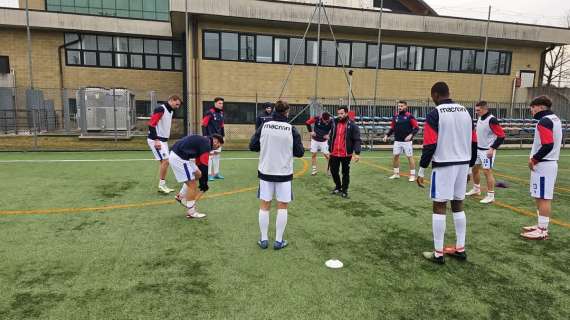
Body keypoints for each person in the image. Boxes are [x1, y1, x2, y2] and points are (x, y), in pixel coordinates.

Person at [417, 82, 477, 264]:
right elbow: (474, 142)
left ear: (435, 95)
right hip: (463, 164)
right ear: (449, 93)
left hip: (444, 164)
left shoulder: (435, 114)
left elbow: (429, 144)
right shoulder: (465, 112)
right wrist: (469, 167)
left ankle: (438, 253)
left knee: (439, 206)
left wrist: (421, 169)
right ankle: (460, 248)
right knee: (458, 204)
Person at [249, 100, 304, 250]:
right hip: (284, 173)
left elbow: (252, 146)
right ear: (287, 112)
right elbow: (300, 152)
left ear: (273, 110)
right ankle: (278, 241)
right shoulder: (291, 129)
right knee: (282, 207)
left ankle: (264, 239)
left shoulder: (264, 126)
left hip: (266, 171)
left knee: (264, 205)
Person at [521, 95, 562, 240]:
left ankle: (542, 230)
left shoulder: (544, 121)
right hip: (545, 164)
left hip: (544, 164)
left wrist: (534, 159)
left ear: (540, 107)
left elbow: (548, 144)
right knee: (539, 195)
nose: (531, 110)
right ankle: (540, 224)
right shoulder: (553, 118)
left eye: (532, 107)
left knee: (544, 197)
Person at [170, 134, 224, 219]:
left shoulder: (204, 141)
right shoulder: (206, 144)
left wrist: (202, 178)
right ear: (215, 141)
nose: (216, 148)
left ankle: (180, 196)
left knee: (198, 175)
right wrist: (204, 183)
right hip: (180, 158)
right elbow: (204, 165)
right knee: (193, 186)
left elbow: (199, 164)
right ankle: (191, 212)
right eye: (218, 146)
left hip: (182, 156)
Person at [466, 100, 506, 204]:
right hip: (478, 149)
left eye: (478, 110)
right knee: (474, 169)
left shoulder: (492, 120)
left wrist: (492, 148)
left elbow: (501, 136)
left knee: (487, 172)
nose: (476, 112)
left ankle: (491, 195)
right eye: (476, 110)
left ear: (484, 109)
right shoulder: (480, 118)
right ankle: (476, 189)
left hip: (487, 151)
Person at [147, 95, 182, 194]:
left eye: (179, 105)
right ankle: (161, 185)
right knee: (166, 161)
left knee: (164, 162)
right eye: (177, 104)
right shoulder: (160, 109)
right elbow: (151, 124)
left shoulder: (170, 110)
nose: (177, 106)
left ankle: (162, 184)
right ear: (171, 100)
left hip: (163, 140)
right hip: (156, 140)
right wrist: (156, 140)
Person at [328, 106, 361, 198]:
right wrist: (329, 146)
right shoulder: (334, 123)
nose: (339, 115)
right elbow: (331, 136)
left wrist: (357, 153)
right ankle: (338, 187)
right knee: (333, 171)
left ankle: (345, 190)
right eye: (338, 113)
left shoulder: (353, 125)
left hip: (346, 154)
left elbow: (357, 140)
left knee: (345, 172)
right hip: (334, 153)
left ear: (346, 113)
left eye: (342, 113)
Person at [383, 100, 420, 182]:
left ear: (406, 107)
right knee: (395, 156)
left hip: (407, 142)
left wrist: (411, 135)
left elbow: (417, 128)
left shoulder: (410, 116)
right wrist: (387, 135)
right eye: (399, 106)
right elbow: (392, 128)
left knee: (409, 157)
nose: (400, 107)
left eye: (402, 106)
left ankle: (412, 175)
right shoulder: (395, 116)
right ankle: (396, 174)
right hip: (397, 141)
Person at [202, 97, 225, 181]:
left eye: (222, 103)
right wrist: (205, 136)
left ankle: (216, 173)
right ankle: (208, 175)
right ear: (215, 103)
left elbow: (222, 126)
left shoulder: (221, 113)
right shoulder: (210, 112)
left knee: (217, 156)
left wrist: (223, 136)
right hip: (210, 138)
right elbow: (204, 124)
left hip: (219, 138)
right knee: (210, 156)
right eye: (219, 103)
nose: (221, 105)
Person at [305, 112, 334, 176]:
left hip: (324, 141)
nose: (326, 121)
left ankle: (330, 170)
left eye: (327, 120)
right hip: (314, 140)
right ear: (322, 118)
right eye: (325, 120)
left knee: (327, 156)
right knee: (313, 155)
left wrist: (329, 135)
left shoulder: (331, 121)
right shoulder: (317, 118)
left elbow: (335, 129)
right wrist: (310, 132)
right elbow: (307, 123)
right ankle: (314, 170)